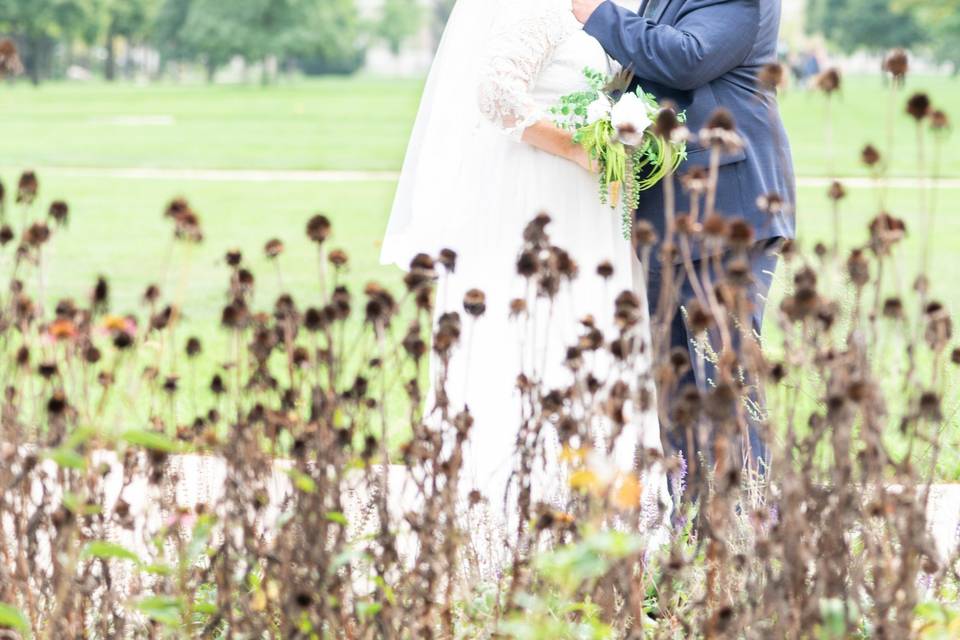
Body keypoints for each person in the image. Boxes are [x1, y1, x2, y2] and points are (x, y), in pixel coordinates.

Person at [381, 0, 664, 525]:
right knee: (535, 324)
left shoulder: (599, 9)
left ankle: (596, 488)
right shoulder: (535, 8)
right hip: (538, 186)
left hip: (588, 199)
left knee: (588, 324)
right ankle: (509, 494)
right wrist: (576, 146)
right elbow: (496, 92)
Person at [570, 0, 797, 490]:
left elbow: (687, 57)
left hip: (727, 210)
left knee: (723, 378)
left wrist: (599, 14)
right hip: (669, 214)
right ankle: (695, 529)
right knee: (677, 386)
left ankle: (743, 528)